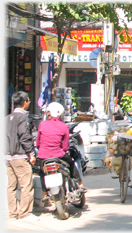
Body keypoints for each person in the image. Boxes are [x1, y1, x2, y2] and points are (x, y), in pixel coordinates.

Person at [36, 102, 86, 203]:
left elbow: (38, 143)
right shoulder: (64, 126)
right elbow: (65, 146)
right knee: (71, 164)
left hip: (43, 156)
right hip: (58, 155)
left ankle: (45, 194)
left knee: (42, 172)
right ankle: (80, 184)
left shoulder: (42, 124)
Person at [5, 91, 39, 222]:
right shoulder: (23, 118)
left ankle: (13, 214)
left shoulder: (7, 118)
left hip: (8, 157)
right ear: (25, 102)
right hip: (20, 156)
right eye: (29, 100)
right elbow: (25, 137)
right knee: (26, 185)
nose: (29, 103)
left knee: (11, 186)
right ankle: (25, 213)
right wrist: (31, 154)